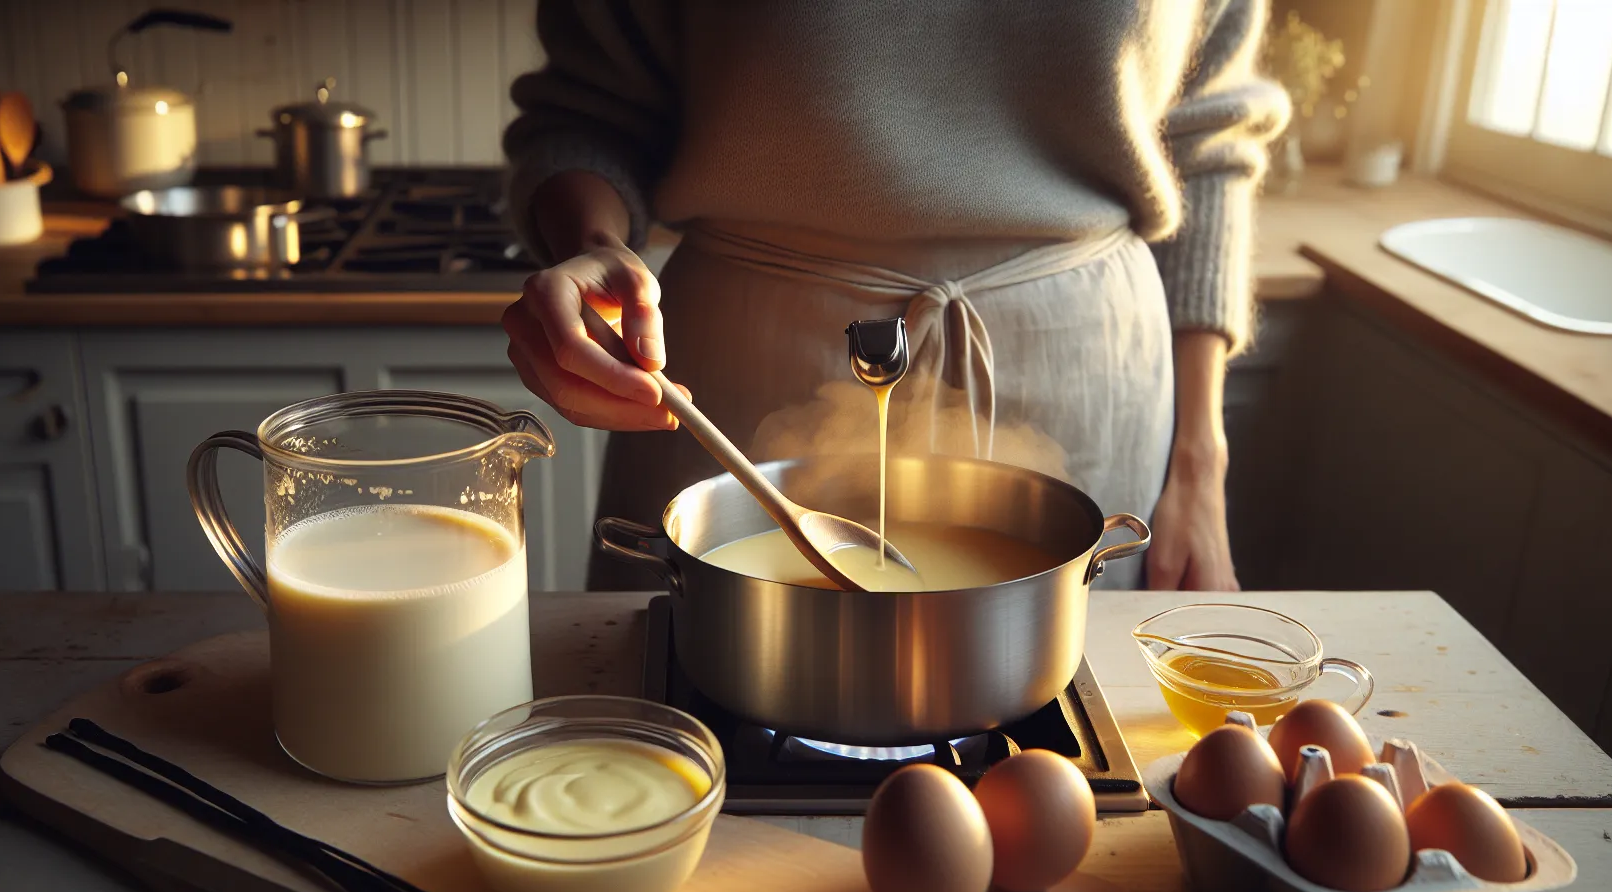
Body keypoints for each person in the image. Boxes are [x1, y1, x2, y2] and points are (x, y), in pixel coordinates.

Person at [498, 1, 1289, 591]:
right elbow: (587, 113)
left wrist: (1200, 463)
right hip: (742, 367)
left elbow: (1209, 141)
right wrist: (591, 248)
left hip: (1090, 382)